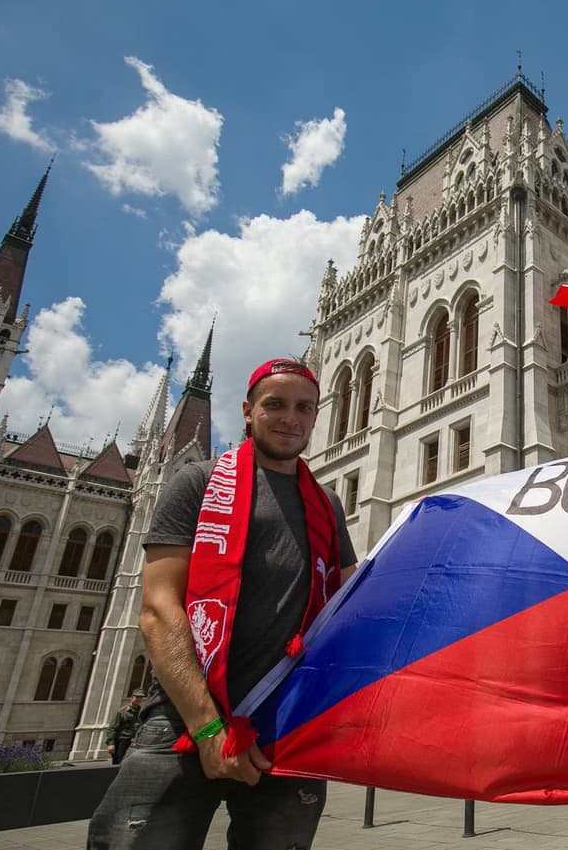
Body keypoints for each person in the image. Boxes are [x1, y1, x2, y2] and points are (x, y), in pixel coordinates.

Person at [89, 358, 358, 849]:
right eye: (274, 404)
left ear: (316, 416)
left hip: (284, 730)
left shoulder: (328, 505)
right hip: (182, 721)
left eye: (303, 407)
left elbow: (346, 611)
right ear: (249, 412)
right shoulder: (195, 482)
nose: (289, 418)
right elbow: (158, 608)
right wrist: (209, 728)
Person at [105, 688, 146, 764]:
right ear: (131, 698)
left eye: (141, 698)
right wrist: (111, 744)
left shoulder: (141, 713)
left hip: (135, 743)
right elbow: (112, 728)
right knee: (119, 764)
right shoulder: (121, 712)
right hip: (122, 742)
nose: (139, 699)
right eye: (137, 697)